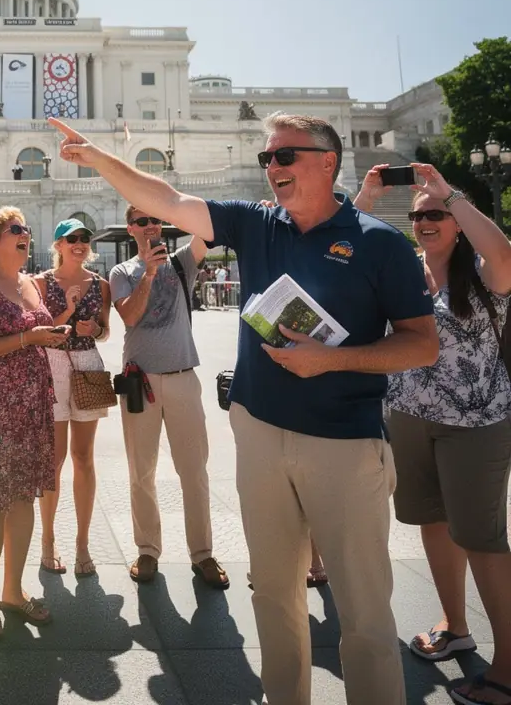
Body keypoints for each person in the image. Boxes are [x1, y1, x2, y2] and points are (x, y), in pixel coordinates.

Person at [50, 113, 439, 705]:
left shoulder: (379, 242)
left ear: (328, 161)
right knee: (274, 597)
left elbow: (422, 342)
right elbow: (168, 199)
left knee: (362, 611)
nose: (273, 167)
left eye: (286, 156)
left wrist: (331, 361)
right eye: (267, 158)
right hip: (258, 431)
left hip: (345, 442)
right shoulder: (257, 223)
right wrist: (102, 160)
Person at [356, 164, 511, 705]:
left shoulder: (484, 272)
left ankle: (508, 667)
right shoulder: (401, 269)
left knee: (483, 539)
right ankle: (455, 625)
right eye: (419, 214)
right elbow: (344, 244)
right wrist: (370, 195)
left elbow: (506, 251)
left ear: (456, 221)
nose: (424, 221)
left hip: (476, 423)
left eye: (435, 214)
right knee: (433, 523)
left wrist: (451, 193)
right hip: (409, 416)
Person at [0, 206, 70, 639]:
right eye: (15, 229)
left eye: (26, 228)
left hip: (31, 404)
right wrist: (30, 338)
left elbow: (37, 332)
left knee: (23, 498)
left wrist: (52, 333)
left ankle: (12, 591)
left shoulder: (28, 283)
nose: (25, 234)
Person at [108, 206, 228, 588]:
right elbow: (129, 316)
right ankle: (147, 550)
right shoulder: (122, 272)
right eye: (142, 221)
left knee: (194, 471)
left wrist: (173, 205)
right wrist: (148, 271)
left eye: (155, 220)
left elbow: (204, 230)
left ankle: (203, 554)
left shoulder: (182, 262)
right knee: (141, 472)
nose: (151, 226)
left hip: (181, 377)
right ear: (131, 229)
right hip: (140, 382)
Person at [32, 217, 111, 578]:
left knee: (84, 457)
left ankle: (82, 543)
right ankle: (48, 540)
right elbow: (40, 330)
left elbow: (105, 330)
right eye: (71, 238)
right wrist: (66, 310)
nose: (79, 243)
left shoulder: (101, 284)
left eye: (84, 238)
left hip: (88, 365)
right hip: (52, 365)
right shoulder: (39, 282)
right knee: (53, 459)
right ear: (58, 245)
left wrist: (94, 328)